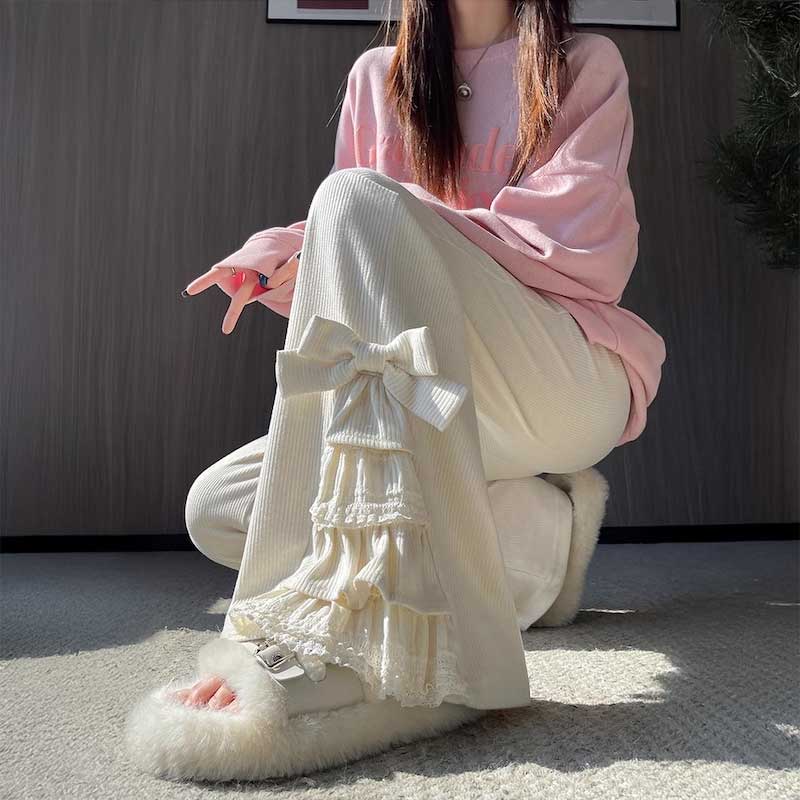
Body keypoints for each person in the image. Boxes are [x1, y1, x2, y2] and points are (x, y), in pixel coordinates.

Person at [125, 0, 667, 782]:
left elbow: (579, 248)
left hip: (553, 378)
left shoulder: (584, 66)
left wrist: (383, 218)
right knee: (220, 508)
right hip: (422, 407)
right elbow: (359, 272)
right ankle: (539, 535)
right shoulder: (376, 79)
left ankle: (377, 643)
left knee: (354, 200)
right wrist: (285, 256)